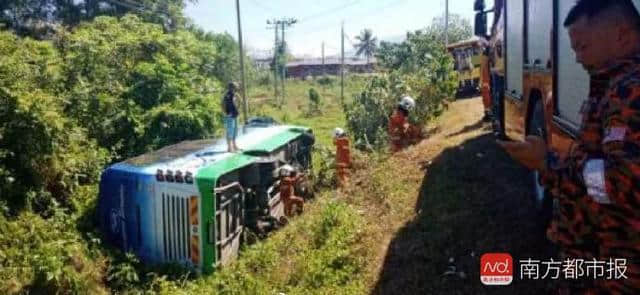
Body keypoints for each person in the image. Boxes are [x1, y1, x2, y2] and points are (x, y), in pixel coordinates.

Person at [498, 1, 640, 293]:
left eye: (583, 47)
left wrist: (548, 163)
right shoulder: (611, 86)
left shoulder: (630, 93)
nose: (576, 59)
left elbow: (619, 183)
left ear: (622, 36)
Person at [222, 82, 240, 152]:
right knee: (230, 131)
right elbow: (223, 104)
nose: (236, 89)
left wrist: (238, 109)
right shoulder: (227, 95)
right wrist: (225, 113)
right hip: (229, 115)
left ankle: (234, 145)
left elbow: (239, 101)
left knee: (235, 131)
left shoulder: (235, 95)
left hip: (235, 114)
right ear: (231, 87)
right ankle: (230, 148)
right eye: (235, 87)